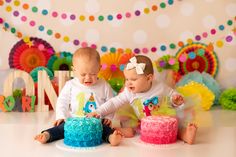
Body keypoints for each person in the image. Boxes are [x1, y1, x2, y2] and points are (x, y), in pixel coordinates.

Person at [87, 55, 197, 144]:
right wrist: (98, 111)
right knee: (129, 131)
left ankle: (186, 135)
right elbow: (113, 103)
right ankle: (115, 133)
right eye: (126, 79)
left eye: (133, 79)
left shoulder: (160, 87)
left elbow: (173, 95)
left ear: (149, 78)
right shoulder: (129, 92)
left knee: (174, 130)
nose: (128, 83)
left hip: (162, 122)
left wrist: (175, 100)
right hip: (142, 123)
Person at [35, 47, 124, 146]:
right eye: (83, 74)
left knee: (105, 130)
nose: (88, 78)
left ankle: (112, 138)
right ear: (74, 70)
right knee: (61, 128)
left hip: (96, 123)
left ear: (99, 68)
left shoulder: (104, 85)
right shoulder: (70, 85)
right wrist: (61, 116)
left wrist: (108, 117)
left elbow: (111, 103)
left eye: (93, 74)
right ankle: (47, 135)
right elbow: (62, 101)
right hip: (74, 122)